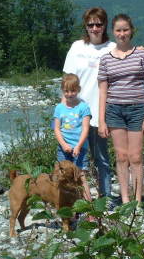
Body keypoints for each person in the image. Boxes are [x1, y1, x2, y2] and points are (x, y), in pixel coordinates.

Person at [97, 14, 144, 203]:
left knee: (136, 157)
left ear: (132, 31)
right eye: (118, 30)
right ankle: (125, 200)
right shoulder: (106, 59)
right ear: (113, 32)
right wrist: (101, 120)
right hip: (114, 110)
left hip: (137, 109)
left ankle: (137, 201)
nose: (122, 34)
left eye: (125, 30)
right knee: (121, 157)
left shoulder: (142, 54)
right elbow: (103, 91)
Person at [63, 7, 115, 199]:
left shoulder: (112, 48)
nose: (94, 28)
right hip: (77, 114)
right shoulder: (77, 47)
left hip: (102, 114)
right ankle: (80, 201)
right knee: (77, 160)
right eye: (90, 24)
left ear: (104, 25)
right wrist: (62, 112)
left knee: (102, 159)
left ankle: (106, 198)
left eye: (98, 24)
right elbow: (67, 81)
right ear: (85, 26)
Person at [54, 73, 92, 201]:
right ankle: (67, 205)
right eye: (66, 91)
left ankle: (88, 208)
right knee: (62, 176)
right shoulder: (59, 108)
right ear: (62, 91)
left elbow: (86, 129)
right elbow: (57, 129)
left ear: (78, 90)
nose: (70, 94)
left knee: (81, 177)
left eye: (73, 90)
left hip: (79, 148)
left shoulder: (84, 107)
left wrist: (78, 146)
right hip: (63, 148)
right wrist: (64, 145)